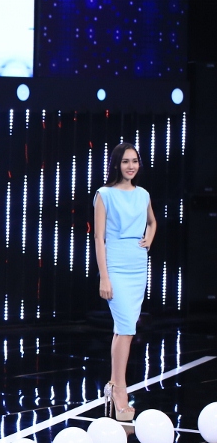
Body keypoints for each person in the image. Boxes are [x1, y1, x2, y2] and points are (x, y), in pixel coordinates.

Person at [93, 143, 155, 422]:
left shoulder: (143, 194)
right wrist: (104, 276)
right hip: (115, 264)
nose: (131, 166)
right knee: (127, 327)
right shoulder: (104, 194)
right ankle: (120, 391)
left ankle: (114, 384)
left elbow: (152, 222)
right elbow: (99, 238)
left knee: (124, 328)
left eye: (135, 161)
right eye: (126, 161)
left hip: (137, 264)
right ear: (116, 164)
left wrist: (149, 237)